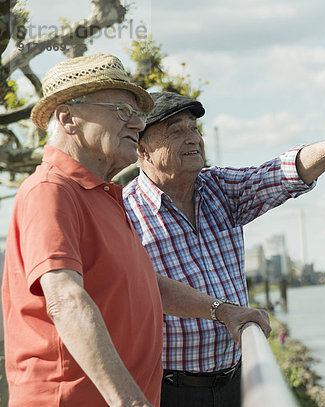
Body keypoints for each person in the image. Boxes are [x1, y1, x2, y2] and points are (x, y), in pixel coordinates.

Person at [1, 55, 270, 407]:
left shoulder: (104, 195)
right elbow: (65, 299)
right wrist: (129, 400)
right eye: (121, 110)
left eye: (137, 114)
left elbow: (144, 281)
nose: (137, 124)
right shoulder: (51, 190)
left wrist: (224, 311)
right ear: (67, 118)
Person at [123, 91, 325, 407]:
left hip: (238, 380)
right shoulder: (124, 214)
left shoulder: (219, 188)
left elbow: (278, 175)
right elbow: (140, 292)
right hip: (169, 390)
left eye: (194, 129)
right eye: (176, 131)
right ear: (143, 150)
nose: (193, 138)